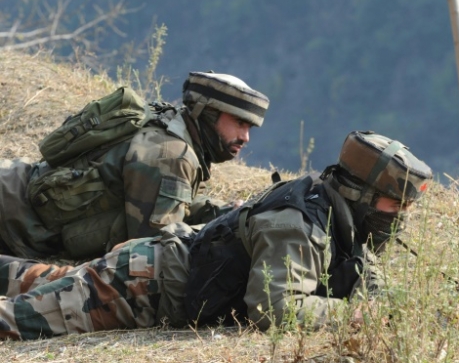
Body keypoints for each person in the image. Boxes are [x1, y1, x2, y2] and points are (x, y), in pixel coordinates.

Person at [0, 130, 432, 340]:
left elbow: (365, 279)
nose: (400, 217)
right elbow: (274, 308)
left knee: (39, 282)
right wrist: (357, 317)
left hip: (150, 271)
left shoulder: (336, 215)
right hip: (140, 287)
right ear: (360, 194)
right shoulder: (297, 224)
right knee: (19, 321)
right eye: (395, 204)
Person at [0, 71, 269, 260]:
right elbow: (155, 249)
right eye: (239, 123)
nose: (245, 137)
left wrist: (219, 214)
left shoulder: (167, 123)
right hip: (11, 220)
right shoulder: (172, 155)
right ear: (207, 113)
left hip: (13, 190)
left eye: (249, 128)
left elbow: (166, 203)